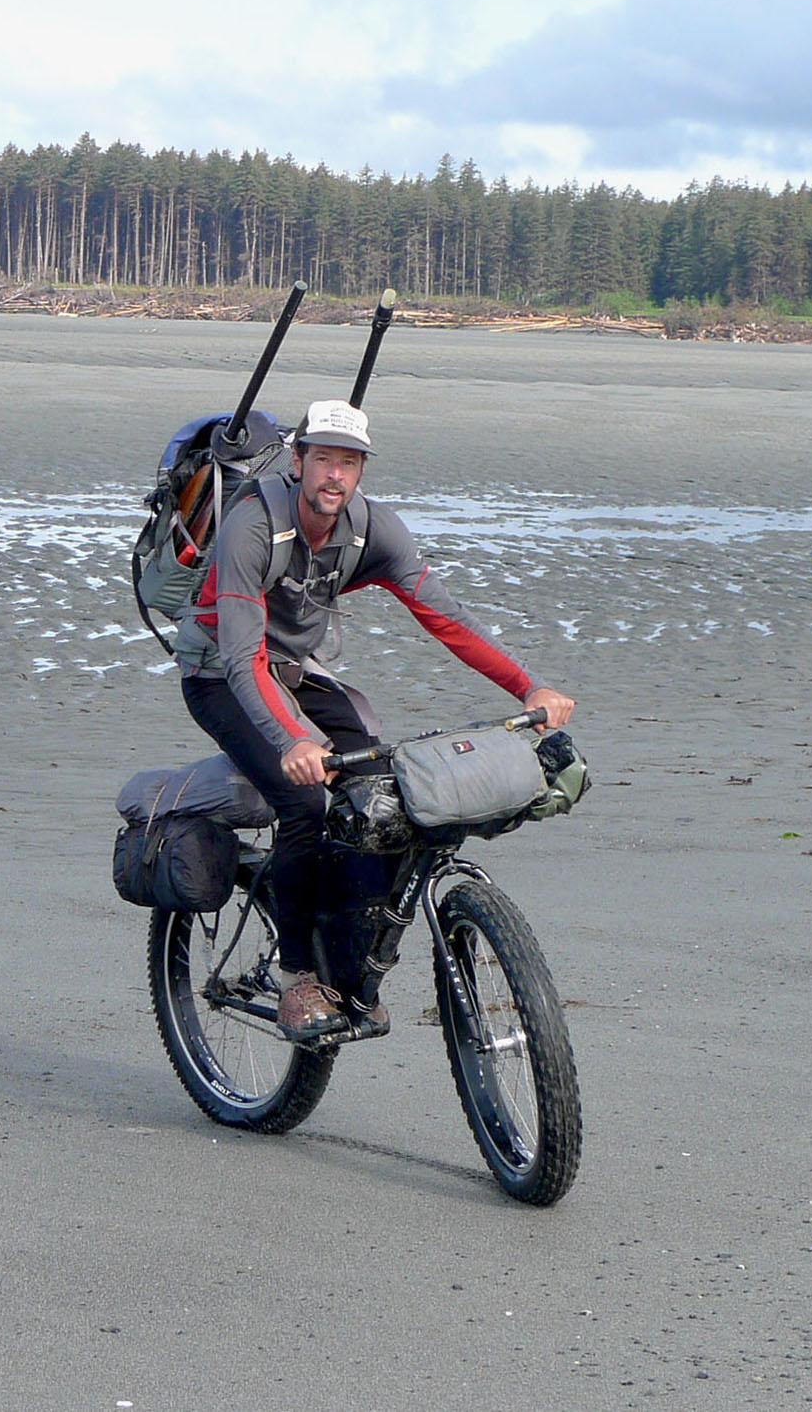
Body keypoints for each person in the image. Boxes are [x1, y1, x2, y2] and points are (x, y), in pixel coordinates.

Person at [177, 398, 574, 1041]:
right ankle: (297, 975)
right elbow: (243, 657)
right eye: (323, 459)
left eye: (349, 462)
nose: (335, 475)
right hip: (219, 672)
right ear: (298, 461)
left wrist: (529, 685)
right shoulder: (252, 526)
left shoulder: (370, 529)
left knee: (378, 799)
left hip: (294, 670)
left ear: (361, 471)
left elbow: (444, 615)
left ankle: (345, 961)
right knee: (304, 803)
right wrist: (294, 739)